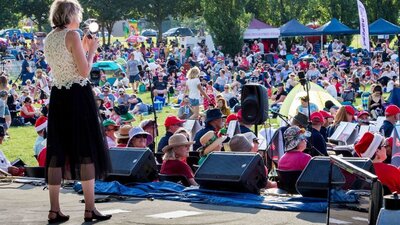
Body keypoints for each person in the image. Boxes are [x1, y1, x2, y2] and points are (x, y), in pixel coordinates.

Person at [44, 1, 111, 222]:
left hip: (59, 95)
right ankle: (90, 208)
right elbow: (83, 72)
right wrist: (91, 51)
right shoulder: (71, 35)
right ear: (71, 14)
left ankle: (54, 209)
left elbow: (66, 62)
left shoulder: (49, 38)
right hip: (77, 96)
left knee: (56, 151)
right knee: (86, 151)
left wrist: (82, 45)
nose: (80, 19)